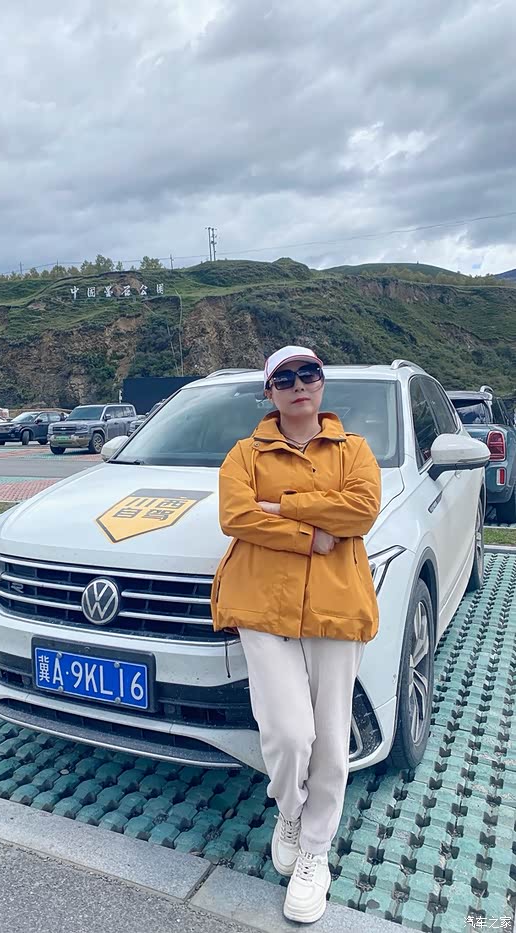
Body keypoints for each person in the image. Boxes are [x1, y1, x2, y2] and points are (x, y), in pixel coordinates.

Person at [212, 346, 381, 925]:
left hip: (337, 606)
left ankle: (314, 850)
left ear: (322, 383)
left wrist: (279, 505)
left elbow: (360, 511)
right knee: (288, 734)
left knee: (331, 740)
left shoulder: (355, 450)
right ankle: (290, 811)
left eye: (308, 374)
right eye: (284, 379)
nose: (298, 384)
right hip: (263, 606)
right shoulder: (244, 453)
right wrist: (310, 534)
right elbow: (236, 516)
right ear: (270, 392)